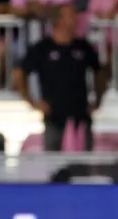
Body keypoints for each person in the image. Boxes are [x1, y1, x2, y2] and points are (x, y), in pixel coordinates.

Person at [13, 3, 108, 151]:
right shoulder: (43, 48)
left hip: (80, 113)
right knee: (52, 162)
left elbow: (100, 73)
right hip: (54, 114)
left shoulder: (83, 47)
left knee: (85, 162)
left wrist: (98, 99)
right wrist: (32, 102)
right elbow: (19, 74)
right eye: (71, 15)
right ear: (59, 20)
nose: (76, 18)